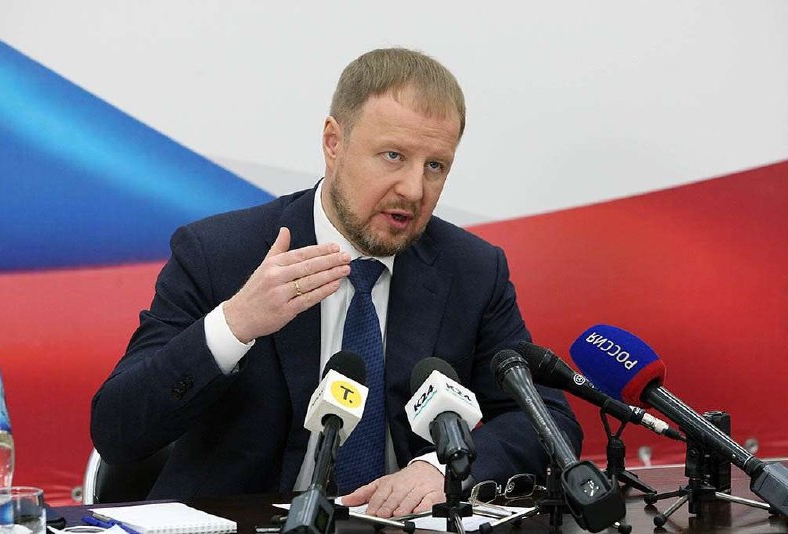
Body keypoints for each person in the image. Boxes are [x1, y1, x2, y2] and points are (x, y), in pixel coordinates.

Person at [91, 47, 582, 518]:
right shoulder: (220, 254)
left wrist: (440, 469)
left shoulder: (471, 270)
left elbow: (548, 421)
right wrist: (235, 324)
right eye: (393, 155)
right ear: (333, 142)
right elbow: (118, 432)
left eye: (435, 166)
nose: (414, 189)